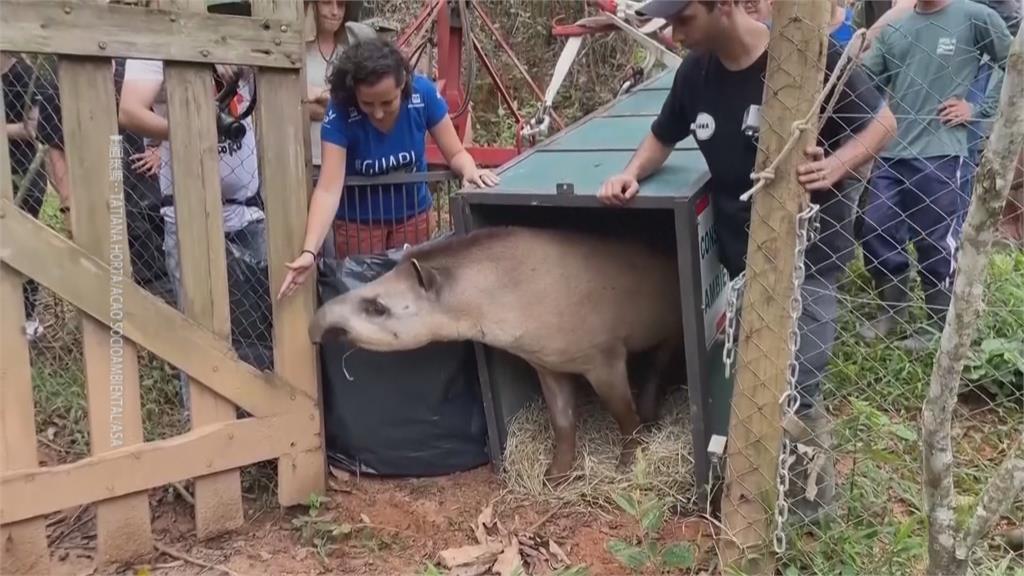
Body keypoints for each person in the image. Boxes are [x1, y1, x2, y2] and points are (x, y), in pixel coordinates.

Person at [600, 0, 895, 523]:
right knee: (758, 382)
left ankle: (810, 516)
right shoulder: (695, 75)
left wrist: (836, 165)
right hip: (745, 259)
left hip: (811, 254)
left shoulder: (803, 57)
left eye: (683, 20)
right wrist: (631, 173)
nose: (672, 35)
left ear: (723, 7)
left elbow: (883, 124)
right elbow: (662, 136)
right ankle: (758, 495)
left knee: (798, 385)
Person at [277, 37, 500, 300]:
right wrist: (309, 252)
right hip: (358, 227)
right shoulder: (340, 110)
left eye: (387, 102)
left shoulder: (423, 94)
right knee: (364, 300)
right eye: (368, 104)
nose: (378, 113)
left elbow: (456, 152)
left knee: (413, 298)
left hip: (412, 219)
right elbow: (328, 188)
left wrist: (469, 170)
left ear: (403, 85)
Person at [856, 0, 1012, 352]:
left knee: (936, 240)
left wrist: (978, 108)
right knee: (876, 227)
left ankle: (939, 325)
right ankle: (892, 310)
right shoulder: (897, 28)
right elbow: (865, 84)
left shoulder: (974, 16)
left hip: (943, 149)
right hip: (893, 151)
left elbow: (1012, 62)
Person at [2, 52, 48, 341]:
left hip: (24, 171)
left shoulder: (26, 76)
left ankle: (28, 317)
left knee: (24, 242)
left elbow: (32, 128)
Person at [304, 0, 362, 186]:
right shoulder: (300, 54)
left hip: (345, 158)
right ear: (314, 6)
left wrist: (316, 94)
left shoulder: (352, 57)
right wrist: (337, 102)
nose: (335, 11)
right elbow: (292, 105)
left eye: (341, 5)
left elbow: (358, 104)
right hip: (307, 158)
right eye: (327, 3)